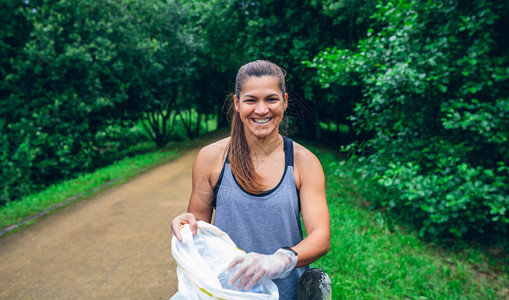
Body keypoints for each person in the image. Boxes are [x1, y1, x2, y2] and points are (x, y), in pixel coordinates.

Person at [170, 60, 330, 299]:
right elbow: (200, 233)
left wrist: (279, 260)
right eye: (251, 100)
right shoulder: (210, 158)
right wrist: (185, 225)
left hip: (286, 294)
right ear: (237, 103)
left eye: (271, 99)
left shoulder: (304, 162)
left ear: (285, 101)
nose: (262, 109)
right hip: (228, 294)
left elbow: (320, 236)